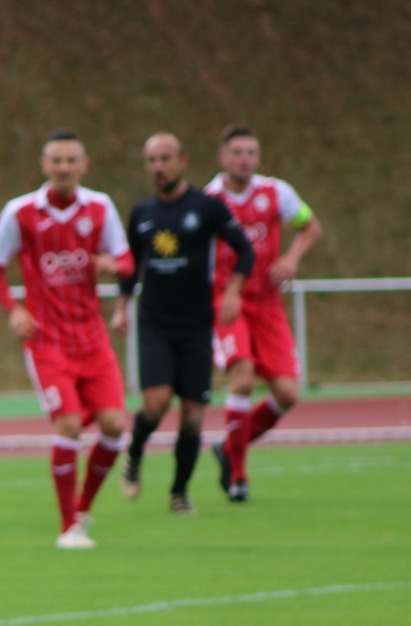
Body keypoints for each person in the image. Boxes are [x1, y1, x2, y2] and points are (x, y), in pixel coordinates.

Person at [0, 130, 134, 549]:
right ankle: (68, 527)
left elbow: (127, 258)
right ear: (44, 165)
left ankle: (82, 508)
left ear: (85, 165)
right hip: (47, 341)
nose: (64, 167)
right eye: (56, 160)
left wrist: (114, 265)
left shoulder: (100, 207)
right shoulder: (20, 212)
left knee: (115, 425)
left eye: (71, 160)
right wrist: (14, 310)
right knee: (68, 423)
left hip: (93, 340)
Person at [111, 133, 254, 513]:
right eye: (152, 160)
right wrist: (122, 306)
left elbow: (245, 250)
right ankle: (135, 452)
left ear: (183, 161)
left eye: (166, 158)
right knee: (156, 404)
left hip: (195, 325)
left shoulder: (207, 207)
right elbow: (130, 266)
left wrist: (232, 292)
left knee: (192, 416)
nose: (159, 167)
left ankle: (178, 492)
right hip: (155, 324)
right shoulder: (142, 212)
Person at [205, 126, 323, 501]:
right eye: (237, 152)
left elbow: (310, 226)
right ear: (223, 157)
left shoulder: (276, 192)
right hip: (228, 303)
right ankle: (238, 477)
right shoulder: (209, 200)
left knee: (287, 394)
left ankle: (227, 447)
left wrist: (291, 258)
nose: (244, 159)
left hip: (269, 304)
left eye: (251, 152)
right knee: (241, 378)